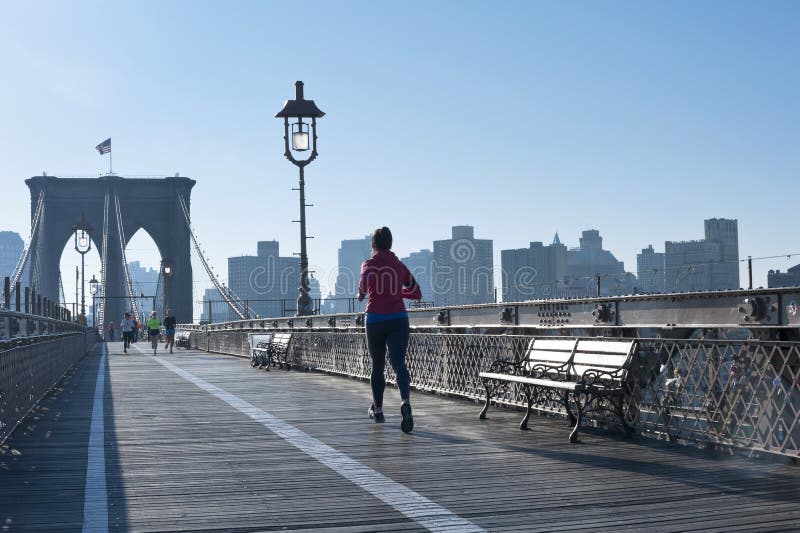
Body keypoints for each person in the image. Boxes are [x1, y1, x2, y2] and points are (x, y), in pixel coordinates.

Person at [358, 226, 422, 433]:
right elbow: (416, 291)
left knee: (377, 365)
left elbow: (362, 290)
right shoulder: (398, 265)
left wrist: (362, 295)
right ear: (391, 243)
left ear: (373, 244)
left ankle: (378, 411)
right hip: (398, 319)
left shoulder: (368, 264)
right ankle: (405, 401)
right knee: (399, 364)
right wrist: (398, 294)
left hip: (375, 319)